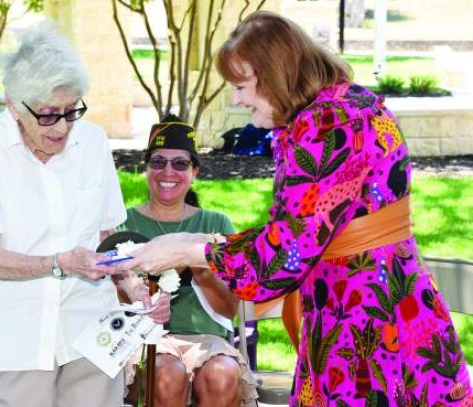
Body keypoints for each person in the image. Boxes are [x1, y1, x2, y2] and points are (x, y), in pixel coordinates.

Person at [113, 11, 473, 407]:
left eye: (241, 85)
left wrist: (190, 247)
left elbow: (284, 255)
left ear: (274, 73)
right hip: (391, 299)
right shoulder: (356, 102)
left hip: (363, 316)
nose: (237, 99)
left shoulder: (323, 125)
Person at [0, 22, 168, 407]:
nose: (63, 127)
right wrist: (60, 263)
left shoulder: (93, 141)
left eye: (71, 111)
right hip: (13, 340)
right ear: (13, 104)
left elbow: (106, 237)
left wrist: (133, 286)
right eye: (48, 114)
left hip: (93, 333)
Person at [119, 115, 258, 407]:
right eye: (158, 162)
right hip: (141, 341)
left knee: (221, 375)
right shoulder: (122, 222)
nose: (168, 171)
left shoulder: (215, 224)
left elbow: (230, 308)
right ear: (145, 169)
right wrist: (142, 298)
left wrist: (199, 264)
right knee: (167, 374)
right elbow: (107, 296)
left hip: (208, 340)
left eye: (180, 163)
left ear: (194, 171)